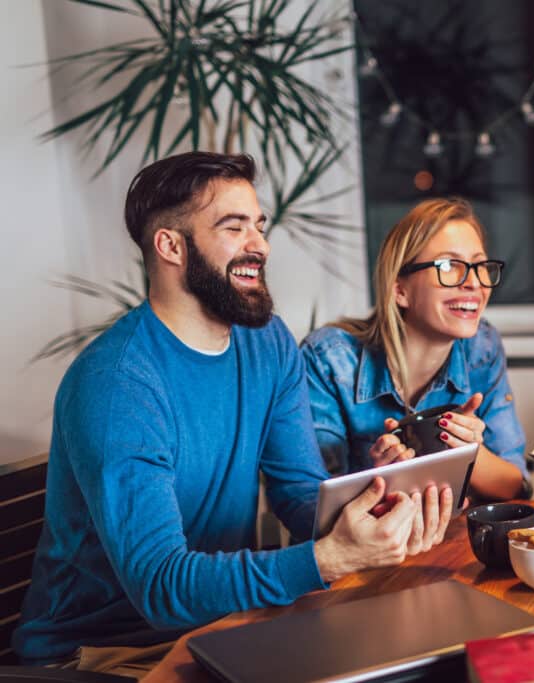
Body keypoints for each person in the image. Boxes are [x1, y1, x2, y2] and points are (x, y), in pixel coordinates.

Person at [13, 153, 452, 675]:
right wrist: (329, 559)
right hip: (105, 655)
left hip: (221, 625)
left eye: (259, 227)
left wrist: (379, 501)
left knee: (425, 656)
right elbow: (160, 587)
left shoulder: (266, 344)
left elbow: (298, 494)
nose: (260, 246)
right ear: (171, 245)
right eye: (234, 227)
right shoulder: (118, 384)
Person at [302, 198, 529, 501]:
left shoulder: (482, 349)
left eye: (480, 265)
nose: (475, 283)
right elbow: (311, 504)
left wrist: (470, 455)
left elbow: (516, 489)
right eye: (449, 266)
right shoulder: (329, 360)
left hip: (448, 543)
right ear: (400, 290)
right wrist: (380, 480)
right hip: (364, 547)